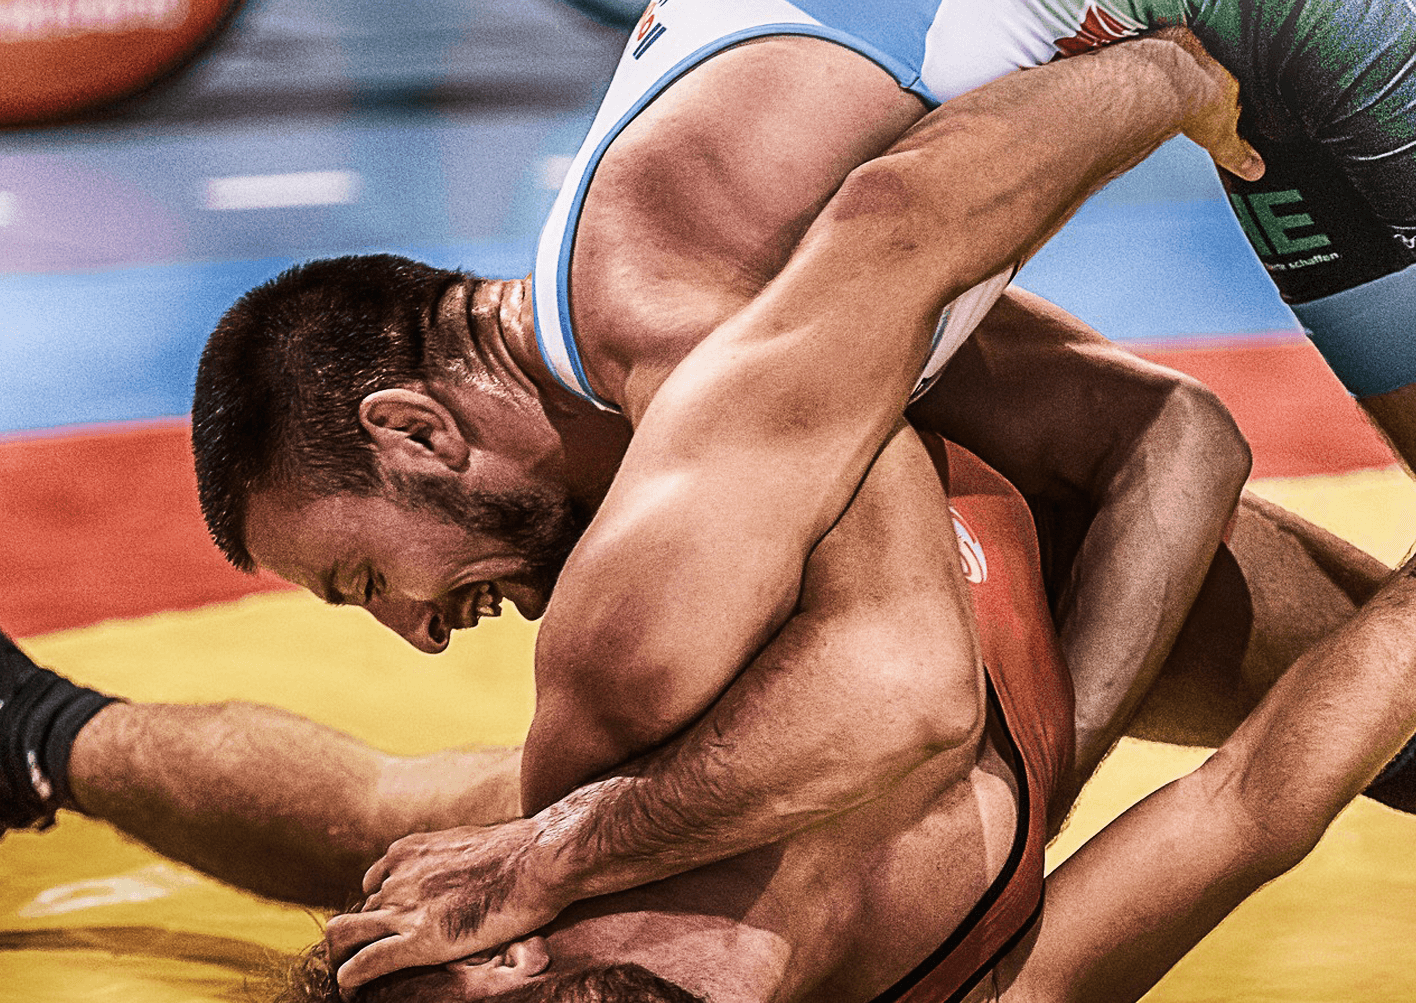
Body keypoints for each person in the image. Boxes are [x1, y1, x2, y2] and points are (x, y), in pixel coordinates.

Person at [0, 34, 1262, 921]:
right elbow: (1181, 431)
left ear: (416, 431)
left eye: (366, 576)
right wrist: (1048, 799)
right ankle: (40, 727)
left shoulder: (668, 300)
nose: (421, 635)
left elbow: (906, 688)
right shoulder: (696, 283)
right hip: (1216, 52)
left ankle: (38, 727)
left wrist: (556, 856)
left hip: (1267, 39)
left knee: (570, 802)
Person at [262, 435, 1412, 1003]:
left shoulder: (624, 699)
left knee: (380, 805)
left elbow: (849, 370)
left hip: (982, 419)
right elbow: (1243, 808)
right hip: (1080, 610)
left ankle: (75, 738)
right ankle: (75, 734)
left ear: (495, 965)